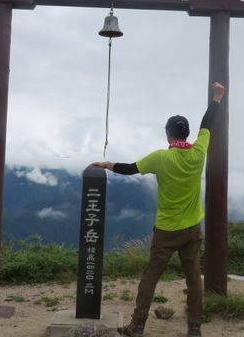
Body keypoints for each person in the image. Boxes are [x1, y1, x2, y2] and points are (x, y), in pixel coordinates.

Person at [92, 82, 226, 337]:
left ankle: (137, 326)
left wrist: (106, 164)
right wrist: (217, 97)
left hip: (166, 230)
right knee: (193, 278)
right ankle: (195, 327)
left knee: (151, 276)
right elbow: (207, 123)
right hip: (192, 229)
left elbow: (130, 169)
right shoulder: (199, 153)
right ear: (187, 134)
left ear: (168, 134)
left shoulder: (161, 158)